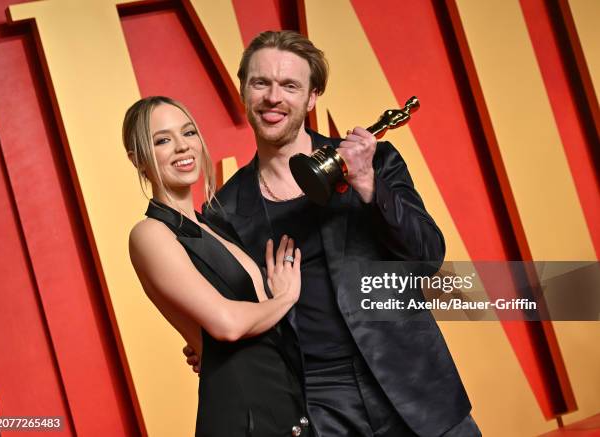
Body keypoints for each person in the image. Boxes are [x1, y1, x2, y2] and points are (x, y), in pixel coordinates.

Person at [185, 31, 481, 436]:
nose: (274, 97)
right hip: (319, 404)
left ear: (311, 97)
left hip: (414, 383)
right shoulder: (224, 213)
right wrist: (213, 344)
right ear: (243, 90)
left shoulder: (376, 163)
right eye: (261, 83)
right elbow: (239, 314)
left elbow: (427, 257)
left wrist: (367, 184)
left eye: (290, 85)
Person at [124, 96, 312, 436]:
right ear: (138, 160)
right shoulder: (150, 233)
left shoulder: (213, 223)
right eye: (163, 140)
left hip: (283, 400)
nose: (183, 147)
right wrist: (283, 298)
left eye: (189, 132)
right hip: (245, 414)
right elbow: (227, 324)